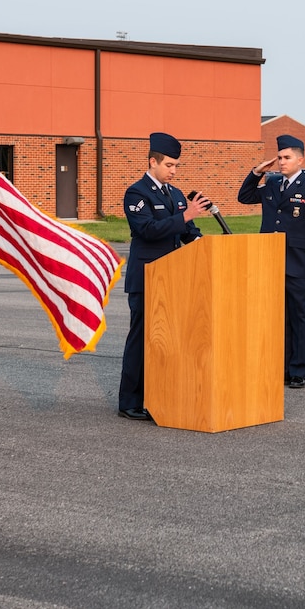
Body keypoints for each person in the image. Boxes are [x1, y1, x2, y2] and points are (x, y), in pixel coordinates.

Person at [119, 132, 209, 421]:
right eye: (169, 165)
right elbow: (147, 230)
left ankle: (160, 395)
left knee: (167, 341)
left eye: (176, 166)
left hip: (174, 279)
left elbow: (187, 233)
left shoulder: (177, 194)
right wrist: (185, 217)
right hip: (148, 278)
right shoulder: (137, 193)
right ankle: (130, 401)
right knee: (142, 339)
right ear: (153, 162)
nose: (173, 170)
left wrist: (203, 244)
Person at [238, 135, 305, 388]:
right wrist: (257, 172)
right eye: (279, 157)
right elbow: (244, 197)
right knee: (275, 317)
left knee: (298, 316)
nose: (281, 162)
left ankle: (298, 369)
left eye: (286, 158)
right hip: (269, 260)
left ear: (300, 160)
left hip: (297, 262)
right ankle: (280, 366)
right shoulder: (272, 184)